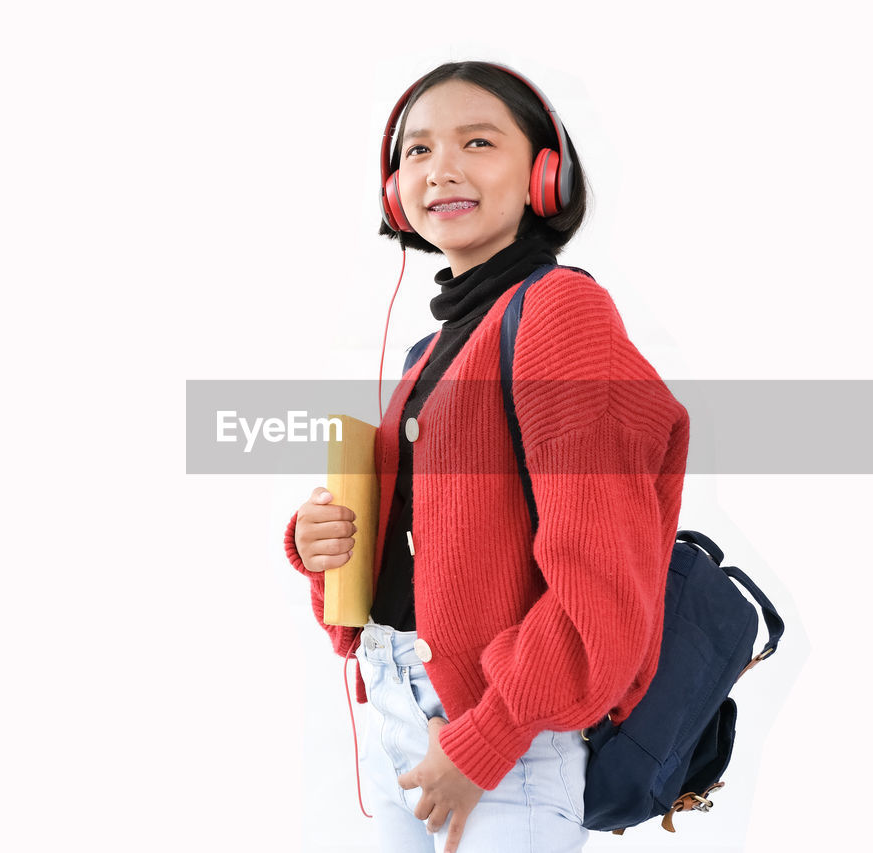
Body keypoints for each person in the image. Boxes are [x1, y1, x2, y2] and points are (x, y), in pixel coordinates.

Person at [283, 61, 689, 853]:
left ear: (545, 173)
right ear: (395, 191)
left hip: (503, 737)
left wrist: (485, 739)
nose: (442, 170)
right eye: (418, 152)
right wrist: (320, 546)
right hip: (405, 717)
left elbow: (603, 583)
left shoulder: (560, 313)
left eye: (478, 142)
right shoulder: (427, 352)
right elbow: (433, 553)